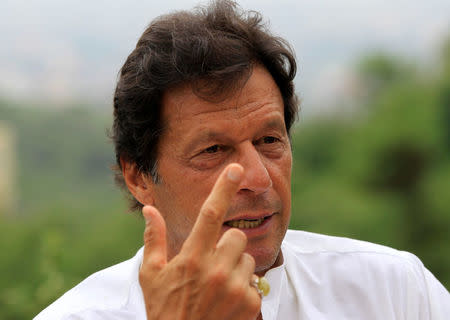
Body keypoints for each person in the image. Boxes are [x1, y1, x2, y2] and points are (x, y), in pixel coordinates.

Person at [35, 0, 449, 319]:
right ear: (139, 176)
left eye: (269, 140)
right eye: (213, 151)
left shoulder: (393, 292)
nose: (257, 177)